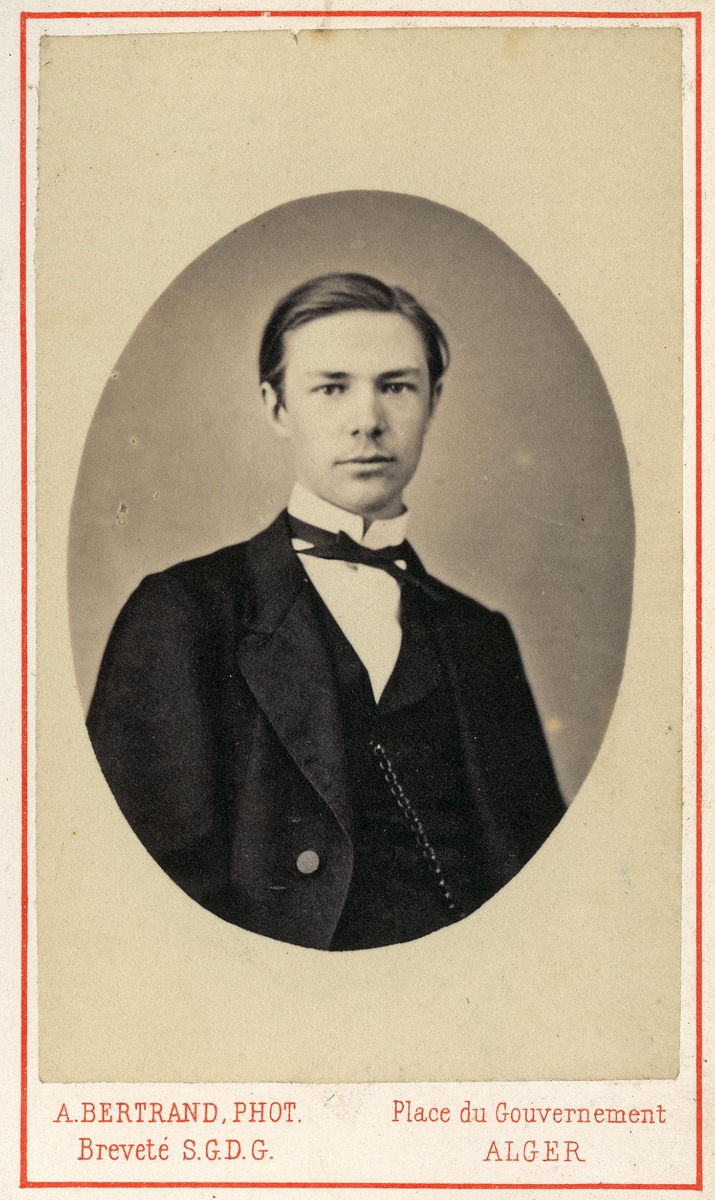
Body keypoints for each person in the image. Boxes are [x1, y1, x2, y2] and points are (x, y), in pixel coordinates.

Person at [87, 272, 565, 951]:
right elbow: (138, 892)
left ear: (433, 401)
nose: (367, 420)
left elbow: (541, 877)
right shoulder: (184, 614)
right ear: (277, 406)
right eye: (331, 388)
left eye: (396, 386)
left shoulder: (478, 635)